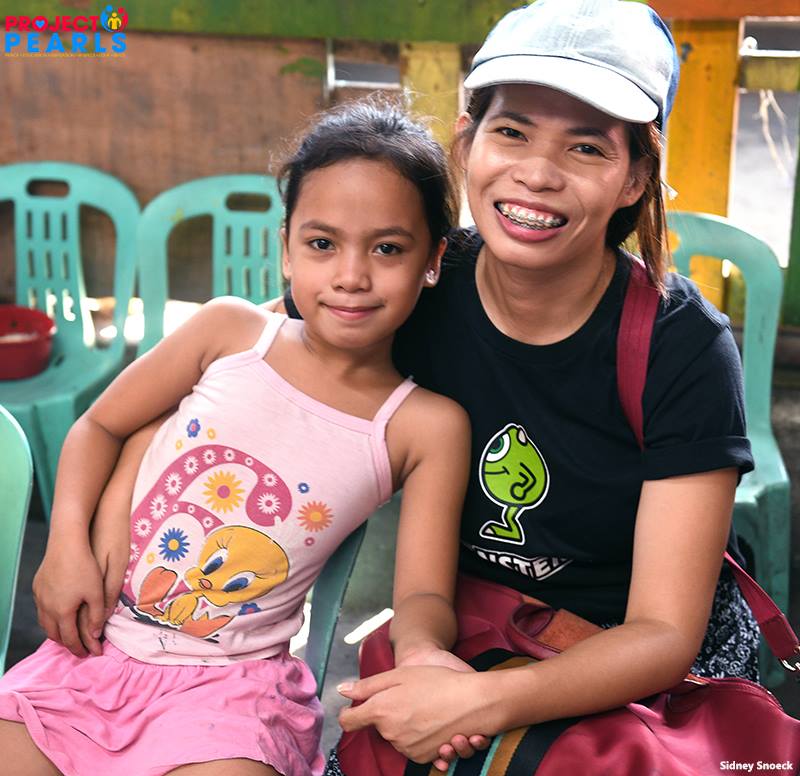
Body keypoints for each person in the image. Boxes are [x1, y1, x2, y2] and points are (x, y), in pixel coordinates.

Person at [313, 0, 758, 771]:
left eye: (586, 146)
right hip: (461, 622)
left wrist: (478, 703)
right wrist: (99, 484)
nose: (539, 174)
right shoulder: (414, 283)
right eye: (512, 132)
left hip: (633, 661)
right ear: (468, 141)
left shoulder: (684, 345)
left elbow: (662, 633)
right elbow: (242, 348)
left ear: (635, 177)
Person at [0, 100, 475, 776]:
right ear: (285, 247)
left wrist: (423, 653)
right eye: (322, 244)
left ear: (433, 259)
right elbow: (100, 425)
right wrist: (66, 544)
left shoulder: (424, 425)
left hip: (231, 694)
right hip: (88, 658)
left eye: (388, 249)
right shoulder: (229, 332)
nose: (351, 275)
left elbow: (424, 593)